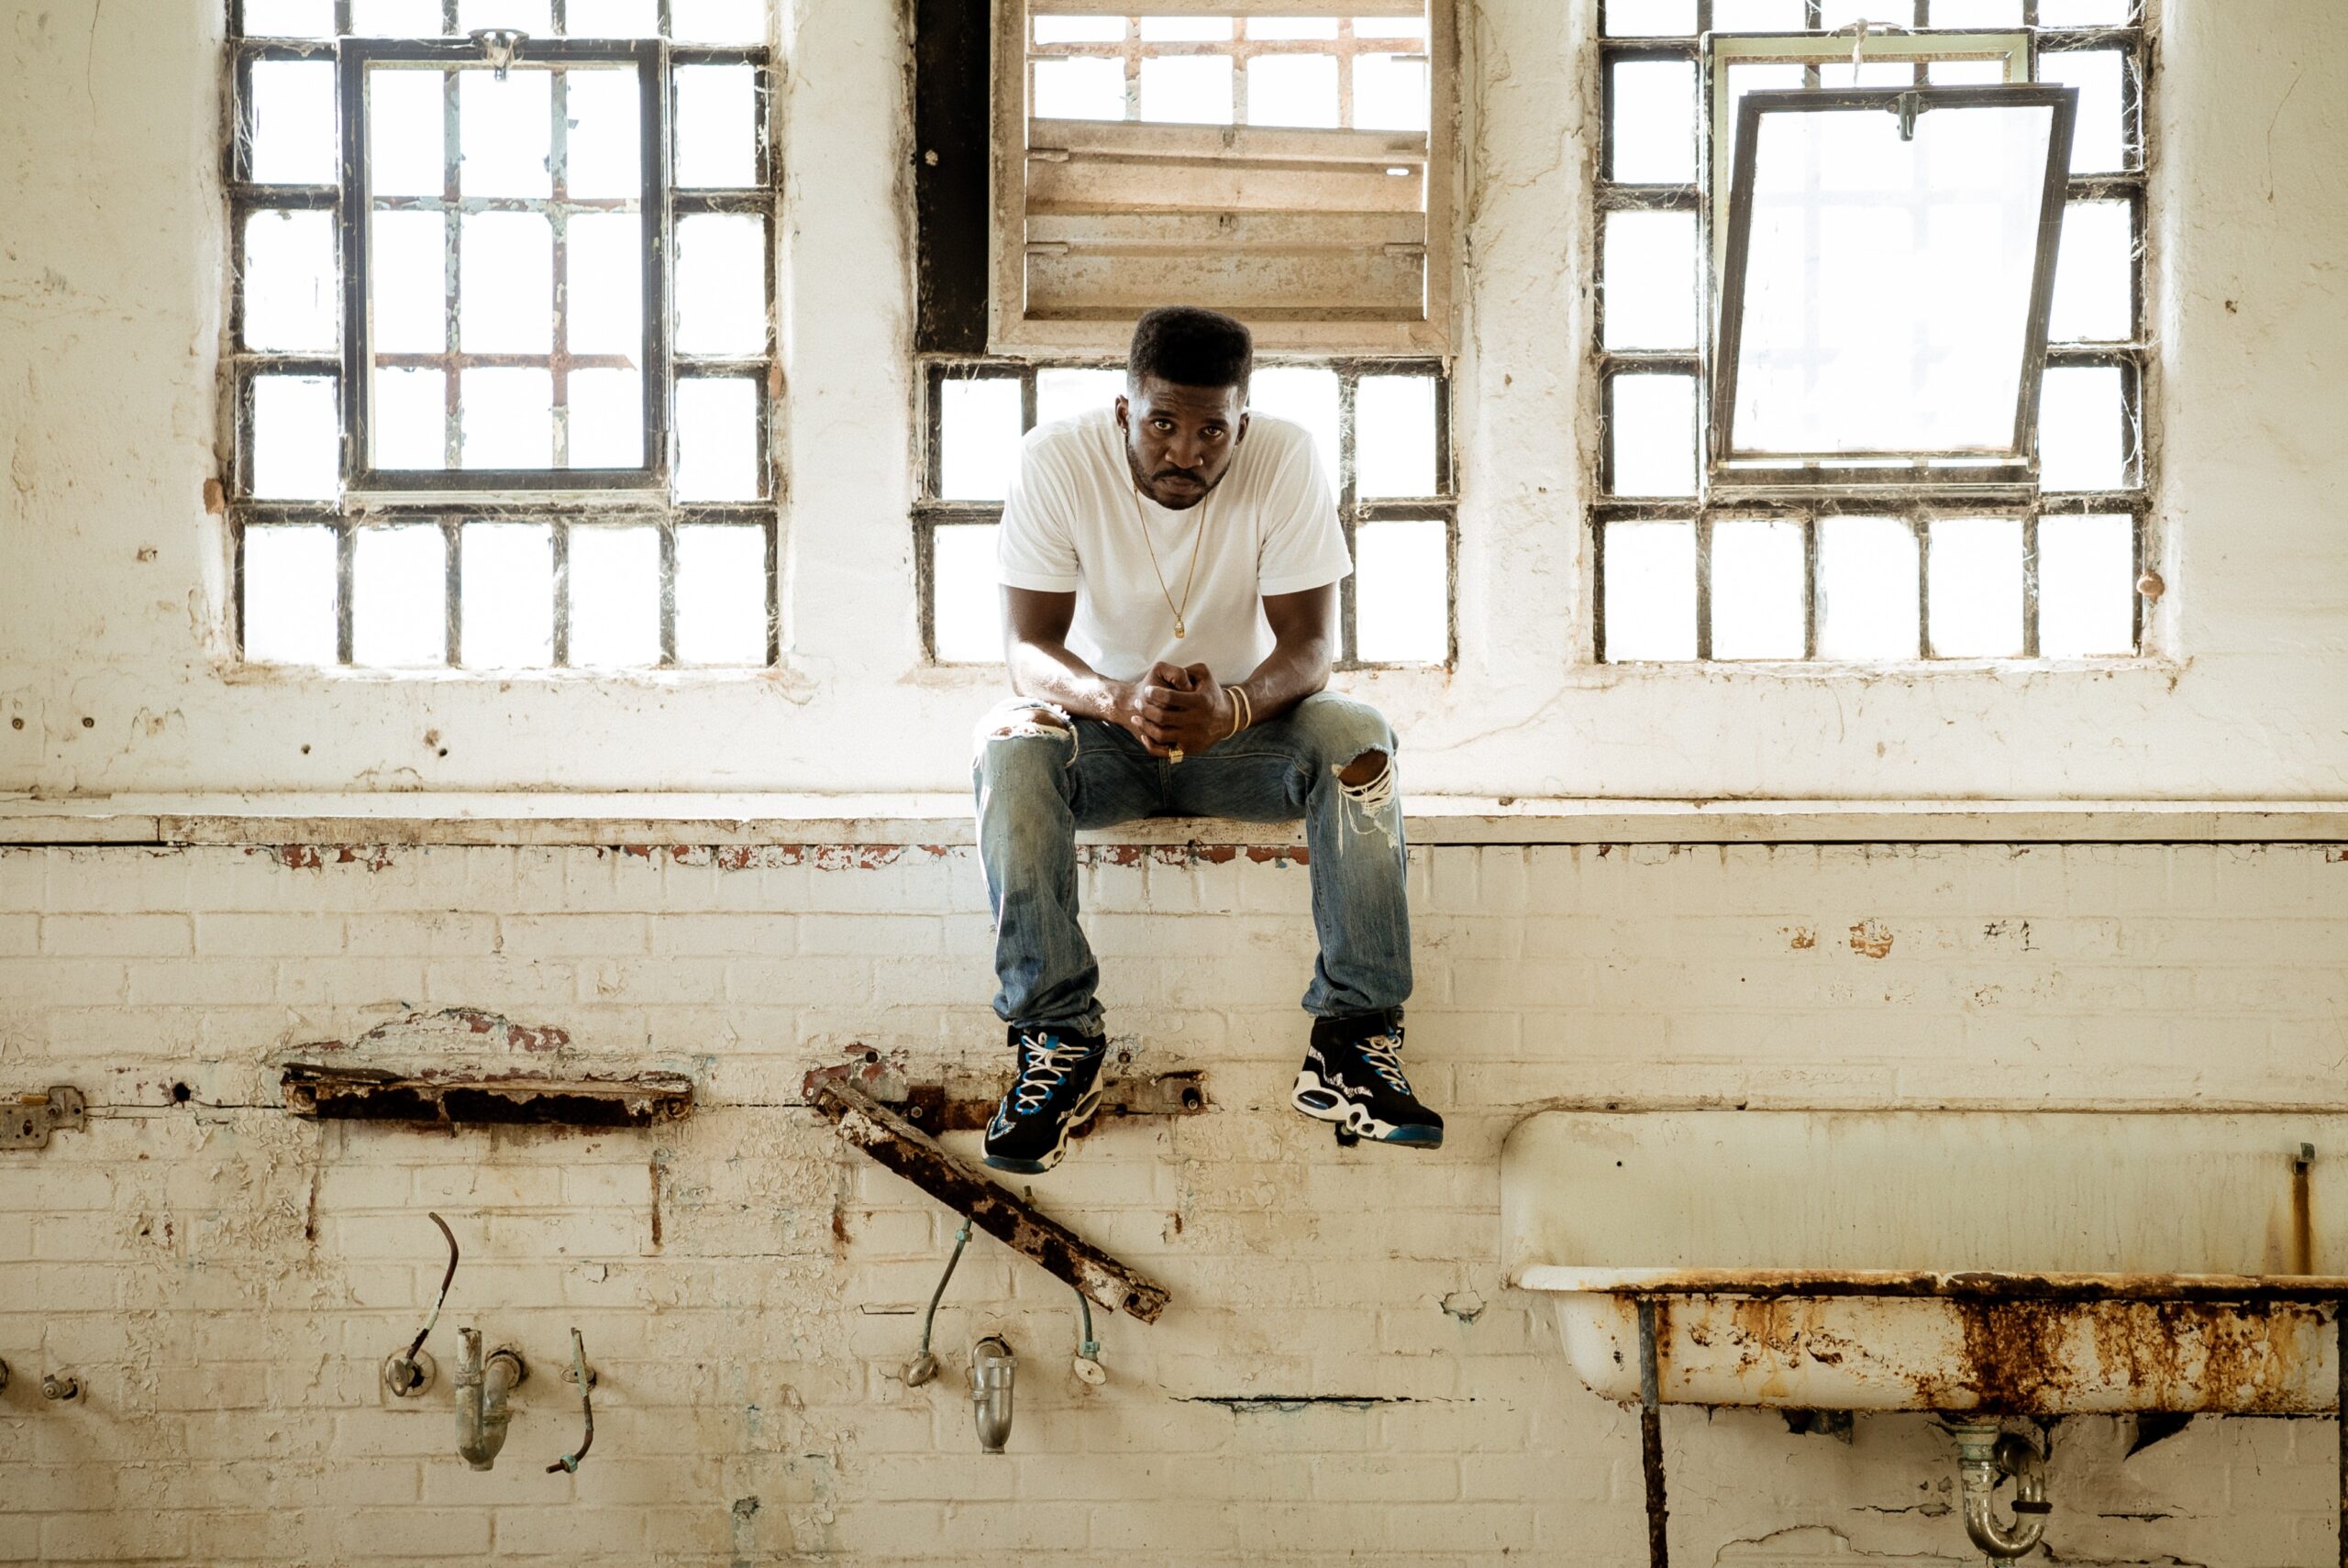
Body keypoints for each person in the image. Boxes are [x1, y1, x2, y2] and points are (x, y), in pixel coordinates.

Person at [969, 304, 1442, 1175]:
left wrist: (1230, 707)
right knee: (1010, 739)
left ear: (1241, 424)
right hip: (1106, 742)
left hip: (1238, 742)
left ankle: (1354, 1038)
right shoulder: (1056, 459)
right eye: (1161, 425)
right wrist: (1117, 700)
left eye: (1210, 432)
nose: (1185, 452)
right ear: (1124, 412)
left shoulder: (1285, 456)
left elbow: (1309, 644)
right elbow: (1027, 649)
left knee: (1358, 736)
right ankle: (1058, 1041)